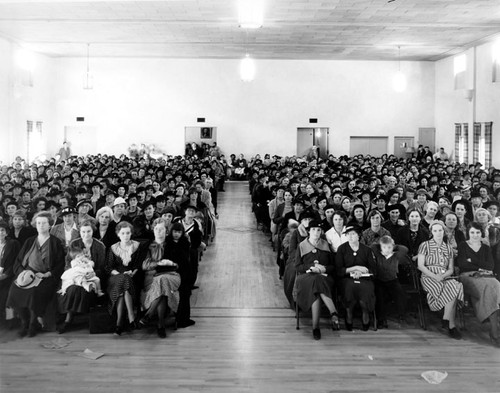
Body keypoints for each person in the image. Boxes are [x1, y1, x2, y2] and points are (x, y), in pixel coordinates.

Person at [6, 211, 65, 337]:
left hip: (46, 277)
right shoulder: (29, 241)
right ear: (35, 224)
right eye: (38, 223)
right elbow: (19, 260)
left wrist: (48, 274)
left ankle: (33, 324)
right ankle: (25, 322)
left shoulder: (55, 242)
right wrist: (23, 273)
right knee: (14, 290)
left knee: (34, 293)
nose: (41, 225)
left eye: (44, 223)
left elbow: (60, 263)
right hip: (28, 274)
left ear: (50, 225)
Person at [417, 220, 464, 339]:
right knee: (453, 289)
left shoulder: (448, 248)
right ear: (431, 232)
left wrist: (442, 276)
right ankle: (451, 325)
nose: (438, 233)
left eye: (440, 230)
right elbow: (420, 266)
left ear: (444, 232)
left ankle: (446, 319)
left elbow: (450, 269)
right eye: (435, 230)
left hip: (444, 276)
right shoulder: (425, 245)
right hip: (429, 276)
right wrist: (435, 276)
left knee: (455, 285)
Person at [57, 220, 106, 334]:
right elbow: (68, 264)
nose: (86, 234)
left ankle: (72, 318)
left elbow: (103, 267)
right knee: (73, 288)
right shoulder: (74, 244)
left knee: (83, 289)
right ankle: (68, 319)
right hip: (74, 275)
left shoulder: (99, 246)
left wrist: (94, 273)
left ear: (93, 231)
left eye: (88, 231)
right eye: (83, 232)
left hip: (91, 275)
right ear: (80, 231)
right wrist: (75, 273)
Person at [294, 220, 339, 340]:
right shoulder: (302, 246)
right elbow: (298, 266)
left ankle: (316, 328)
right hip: (306, 277)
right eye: (313, 229)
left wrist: (323, 269)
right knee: (316, 282)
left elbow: (332, 266)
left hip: (323, 277)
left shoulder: (325, 245)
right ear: (308, 231)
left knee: (317, 286)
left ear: (321, 232)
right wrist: (311, 267)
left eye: (318, 230)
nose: (316, 232)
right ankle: (333, 313)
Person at [457, 222, 500, 346]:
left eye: (477, 232)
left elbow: (490, 266)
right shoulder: (463, 245)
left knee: (496, 285)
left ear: (481, 233)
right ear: (468, 233)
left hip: (487, 276)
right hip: (467, 276)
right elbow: (463, 265)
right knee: (490, 289)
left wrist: (473, 261)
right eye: (472, 232)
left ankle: (494, 331)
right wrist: (481, 266)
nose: (475, 235)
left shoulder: (486, 247)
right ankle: (495, 332)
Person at [140, 218, 181, 338]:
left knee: (162, 280)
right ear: (153, 230)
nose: (158, 232)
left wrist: (170, 264)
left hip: (171, 275)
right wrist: (159, 264)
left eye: (161, 229)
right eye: (156, 229)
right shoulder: (148, 246)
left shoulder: (172, 245)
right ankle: (161, 324)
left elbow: (179, 264)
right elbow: (144, 265)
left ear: (166, 231)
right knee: (161, 286)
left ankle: (149, 314)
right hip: (151, 277)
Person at [105, 221, 146, 336]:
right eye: (123, 233)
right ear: (118, 234)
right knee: (123, 279)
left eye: (128, 233)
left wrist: (132, 272)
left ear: (131, 233)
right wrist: (119, 274)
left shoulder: (137, 246)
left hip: (133, 277)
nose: (126, 235)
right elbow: (108, 267)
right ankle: (131, 317)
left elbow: (139, 264)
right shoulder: (113, 248)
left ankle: (119, 325)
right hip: (114, 277)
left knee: (123, 289)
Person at [336, 224, 376, 331]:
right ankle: (349, 312)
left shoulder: (367, 250)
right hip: (347, 278)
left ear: (358, 235)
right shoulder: (342, 249)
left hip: (364, 279)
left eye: (353, 234)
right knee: (349, 286)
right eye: (348, 234)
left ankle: (365, 311)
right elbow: (338, 270)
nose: (350, 236)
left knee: (365, 288)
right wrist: (355, 268)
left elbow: (373, 269)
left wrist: (363, 271)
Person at [372, 236, 407, 328]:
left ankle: (401, 315)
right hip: (380, 280)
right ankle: (381, 319)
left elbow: (404, 249)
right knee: (380, 298)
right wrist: (381, 245)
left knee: (400, 294)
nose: (386, 250)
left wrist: (393, 246)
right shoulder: (378, 254)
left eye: (389, 247)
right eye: (384, 247)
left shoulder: (396, 255)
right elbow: (373, 247)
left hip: (392, 280)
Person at [0, 222, 21, 326]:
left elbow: (16, 261)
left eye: (2, 230)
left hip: (9, 275)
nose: (0, 232)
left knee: (5, 294)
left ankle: (9, 320)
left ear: (6, 232)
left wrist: (6, 274)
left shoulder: (13, 244)